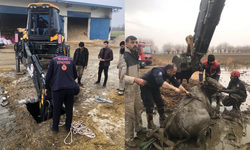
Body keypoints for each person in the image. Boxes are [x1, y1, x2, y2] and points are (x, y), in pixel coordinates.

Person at [140, 63, 190, 129]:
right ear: (168, 71)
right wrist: (174, 89)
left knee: (160, 102)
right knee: (149, 104)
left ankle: (162, 116)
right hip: (145, 85)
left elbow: (177, 83)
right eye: (173, 72)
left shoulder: (170, 74)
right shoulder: (158, 71)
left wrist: (185, 91)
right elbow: (161, 83)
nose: (174, 74)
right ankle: (150, 123)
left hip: (154, 86)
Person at [121, 35, 146, 148]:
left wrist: (138, 81)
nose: (135, 44)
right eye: (132, 42)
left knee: (139, 109)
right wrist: (135, 80)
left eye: (136, 42)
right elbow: (122, 78)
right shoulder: (124, 57)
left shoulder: (135, 55)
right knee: (129, 115)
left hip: (136, 89)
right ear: (127, 44)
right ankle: (128, 138)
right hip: (129, 90)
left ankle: (139, 129)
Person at [45, 47, 77, 133]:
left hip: (58, 89)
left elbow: (48, 77)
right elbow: (75, 75)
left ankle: (55, 128)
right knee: (69, 108)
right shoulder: (70, 60)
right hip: (70, 89)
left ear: (56, 54)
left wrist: (46, 87)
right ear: (64, 53)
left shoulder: (53, 60)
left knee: (57, 108)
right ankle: (68, 127)